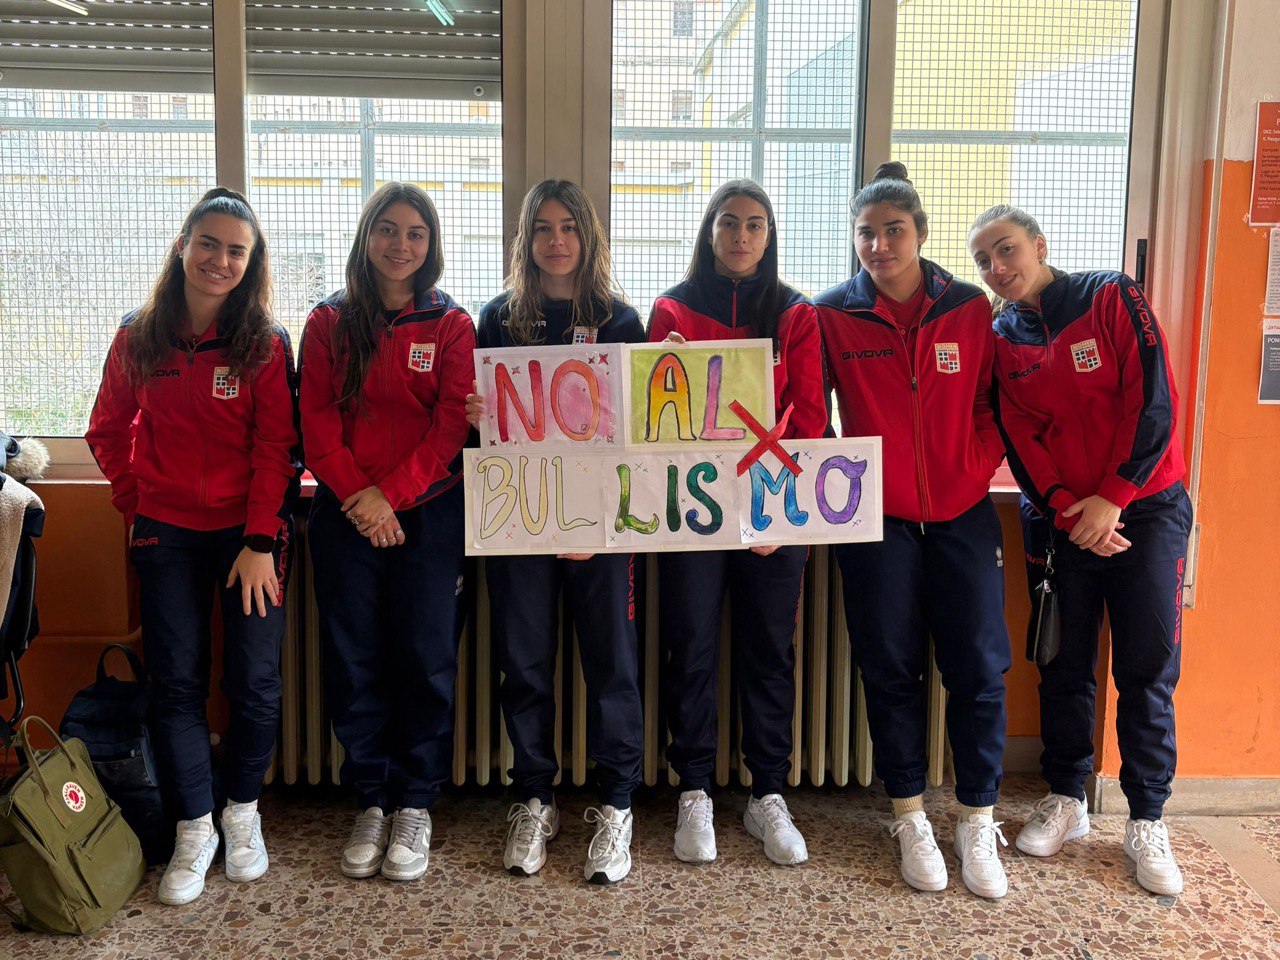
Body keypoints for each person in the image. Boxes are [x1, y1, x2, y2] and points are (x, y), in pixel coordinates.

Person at [969, 204, 1191, 896]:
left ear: (1039, 244)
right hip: (1060, 519)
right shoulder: (1001, 335)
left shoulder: (1111, 296)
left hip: (1144, 509)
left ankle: (1146, 818)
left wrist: (1114, 497)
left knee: (1147, 667)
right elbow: (1019, 432)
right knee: (1062, 662)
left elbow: (1151, 399)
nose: (997, 268)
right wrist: (1069, 506)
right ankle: (1067, 796)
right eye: (984, 261)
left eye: (1007, 250)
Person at [86, 187, 299, 905]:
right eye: (208, 243)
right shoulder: (138, 336)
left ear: (251, 262)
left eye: (237, 250)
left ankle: (241, 813)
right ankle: (194, 826)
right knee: (176, 683)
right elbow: (107, 431)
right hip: (167, 533)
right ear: (182, 246)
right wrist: (136, 504)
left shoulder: (265, 342)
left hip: (250, 536)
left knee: (254, 680)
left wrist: (261, 539)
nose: (220, 260)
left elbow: (278, 448)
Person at [814, 162, 1011, 899]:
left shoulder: (969, 306)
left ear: (921, 234)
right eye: (865, 233)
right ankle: (908, 814)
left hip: (963, 513)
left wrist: (975, 464)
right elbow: (808, 411)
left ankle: (977, 817)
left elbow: (994, 402)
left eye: (893, 230)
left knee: (978, 669)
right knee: (889, 666)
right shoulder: (831, 314)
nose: (879, 245)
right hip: (876, 521)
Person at [464, 179, 644, 884]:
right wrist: (475, 414)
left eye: (569, 226)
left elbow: (637, 435)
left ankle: (617, 804)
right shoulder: (498, 318)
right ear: (525, 239)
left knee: (612, 665)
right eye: (542, 227)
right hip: (521, 523)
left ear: (588, 235)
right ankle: (535, 798)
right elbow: (483, 437)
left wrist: (599, 520)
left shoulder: (620, 320)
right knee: (524, 663)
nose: (557, 240)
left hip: (601, 526)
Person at [647, 179, 827, 867]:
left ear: (770, 236)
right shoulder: (672, 307)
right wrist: (661, 368)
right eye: (729, 222)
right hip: (692, 511)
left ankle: (767, 793)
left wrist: (777, 508)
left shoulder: (795, 312)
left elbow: (810, 419)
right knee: (690, 646)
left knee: (769, 650)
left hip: (771, 512)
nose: (741, 236)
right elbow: (649, 422)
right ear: (710, 230)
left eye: (755, 224)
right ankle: (693, 788)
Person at [299, 182, 474, 882]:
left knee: (427, 660)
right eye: (389, 230)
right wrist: (362, 500)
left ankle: (415, 803)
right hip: (345, 515)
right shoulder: (327, 321)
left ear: (431, 246)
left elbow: (452, 425)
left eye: (416, 233)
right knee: (354, 660)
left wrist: (390, 499)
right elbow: (315, 424)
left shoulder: (451, 323)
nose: (401, 245)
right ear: (367, 235)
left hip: (429, 513)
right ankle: (372, 797)